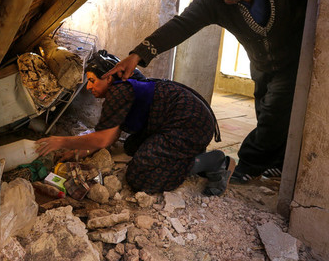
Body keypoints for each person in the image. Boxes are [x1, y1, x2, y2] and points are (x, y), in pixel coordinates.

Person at [104, 0, 314, 184]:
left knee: (274, 114)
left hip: (292, 62)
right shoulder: (214, 0)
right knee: (268, 112)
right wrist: (138, 55)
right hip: (260, 65)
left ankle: (245, 164)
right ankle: (279, 162)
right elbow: (181, 25)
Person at [36, 50, 235, 195]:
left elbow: (104, 139)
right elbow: (111, 135)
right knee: (132, 146)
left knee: (140, 176)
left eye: (92, 80)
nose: (88, 87)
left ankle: (212, 161)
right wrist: (79, 152)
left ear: (108, 77)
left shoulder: (119, 91)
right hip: (176, 123)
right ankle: (187, 153)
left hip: (191, 124)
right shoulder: (121, 88)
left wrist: (61, 141)